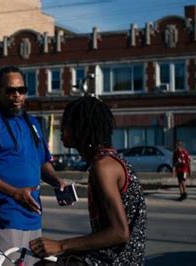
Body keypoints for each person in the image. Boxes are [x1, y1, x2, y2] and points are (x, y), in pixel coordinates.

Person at [29, 96, 147, 265]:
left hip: (115, 261)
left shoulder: (103, 166)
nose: (62, 128)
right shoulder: (106, 160)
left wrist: (60, 245)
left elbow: (120, 232)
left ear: (81, 128)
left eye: (67, 123)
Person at [0, 66, 67, 265]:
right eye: (10, 90)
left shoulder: (32, 123)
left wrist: (57, 181)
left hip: (33, 217)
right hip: (2, 218)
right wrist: (14, 193)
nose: (16, 95)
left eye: (21, 90)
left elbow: (42, 162)